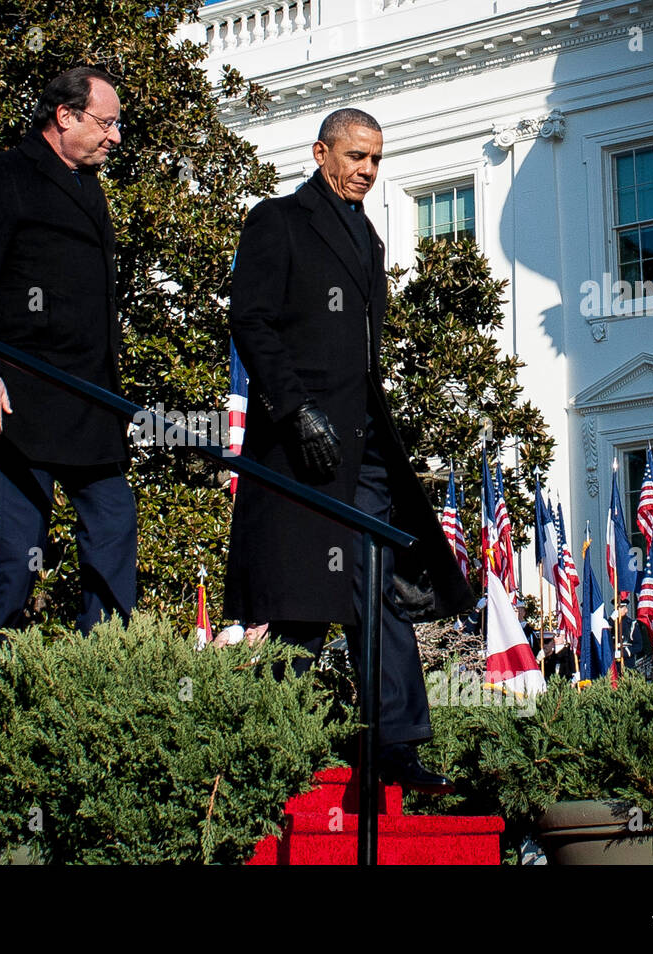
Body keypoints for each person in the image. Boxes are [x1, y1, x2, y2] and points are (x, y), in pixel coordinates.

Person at [223, 107, 474, 794]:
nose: (366, 170)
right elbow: (249, 318)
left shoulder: (368, 239)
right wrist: (295, 408)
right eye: (355, 156)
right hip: (300, 446)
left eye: (375, 160)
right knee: (303, 604)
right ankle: (269, 750)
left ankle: (395, 747)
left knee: (381, 589)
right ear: (320, 152)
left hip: (362, 446)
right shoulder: (276, 220)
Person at [0, 67, 136, 656]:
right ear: (64, 116)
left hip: (91, 399)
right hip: (19, 393)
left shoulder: (91, 188)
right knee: (19, 538)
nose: (116, 137)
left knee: (113, 521)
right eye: (106, 122)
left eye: (117, 124)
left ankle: (103, 665)